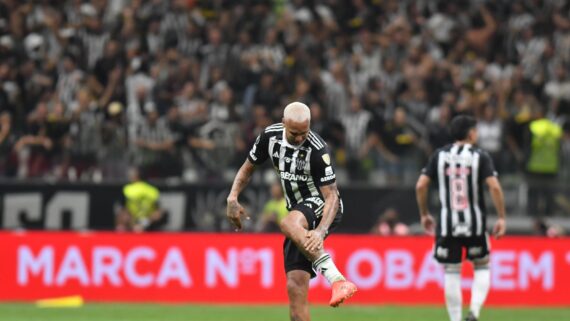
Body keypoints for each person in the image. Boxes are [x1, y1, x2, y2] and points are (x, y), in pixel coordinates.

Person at [226, 102, 357, 320]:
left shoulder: (317, 149)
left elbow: (332, 196)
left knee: (286, 223)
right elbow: (248, 167)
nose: (299, 138)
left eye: (303, 133)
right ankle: (334, 281)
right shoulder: (269, 137)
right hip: (298, 213)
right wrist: (233, 196)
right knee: (295, 291)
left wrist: (320, 231)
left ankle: (336, 279)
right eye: (294, 133)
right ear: (283, 123)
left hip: (322, 207)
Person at [415, 115, 507, 321]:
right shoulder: (480, 156)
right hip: (475, 224)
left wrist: (424, 214)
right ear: (471, 133)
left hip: (448, 224)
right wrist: (501, 217)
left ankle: (456, 319)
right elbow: (494, 186)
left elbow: (421, 185)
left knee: (452, 270)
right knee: (482, 265)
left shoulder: (439, 155)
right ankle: (474, 311)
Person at [116, 168, 164, 233]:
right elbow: (158, 212)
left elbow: (123, 211)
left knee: (120, 224)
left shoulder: (127, 190)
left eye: (132, 175)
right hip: (146, 224)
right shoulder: (153, 190)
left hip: (140, 226)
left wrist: (138, 224)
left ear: (136, 176)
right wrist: (145, 222)